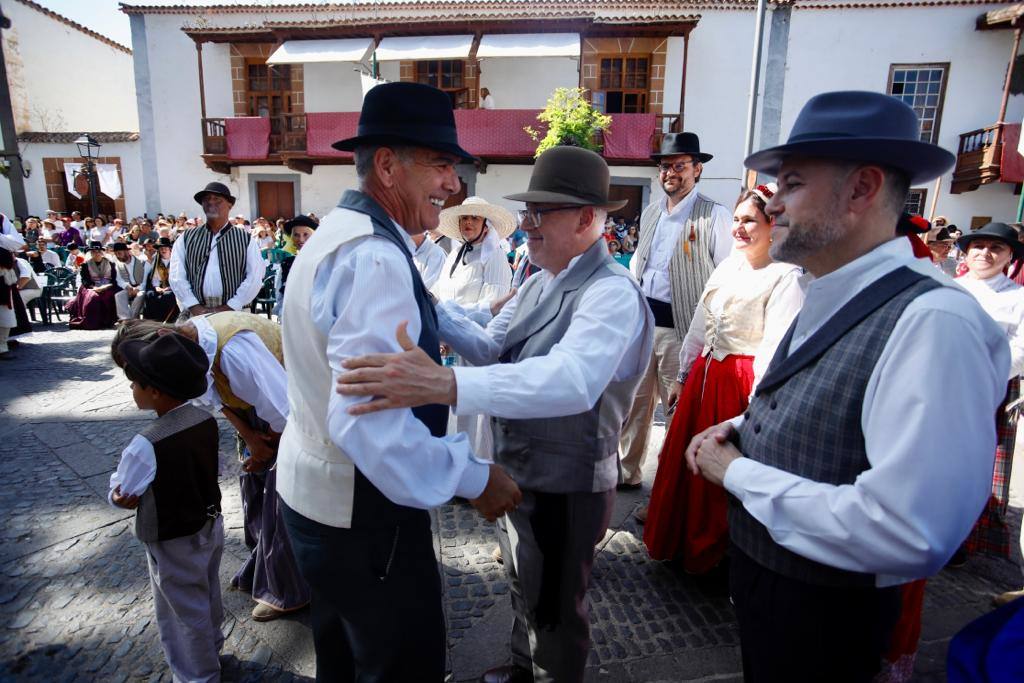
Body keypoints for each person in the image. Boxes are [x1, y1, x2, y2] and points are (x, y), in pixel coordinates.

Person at [686, 91, 1008, 681]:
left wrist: (736, 472)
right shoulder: (823, 288)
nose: (773, 204)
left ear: (861, 189)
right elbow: (820, 403)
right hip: (773, 593)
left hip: (826, 619)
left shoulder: (934, 321)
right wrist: (738, 429)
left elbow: (907, 529)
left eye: (792, 184)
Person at [335, 145, 655, 683]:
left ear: (585, 218)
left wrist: (445, 382)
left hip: (566, 484)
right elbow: (490, 346)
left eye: (540, 213)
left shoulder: (612, 293)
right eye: (528, 212)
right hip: (521, 468)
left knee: (554, 608)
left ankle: (548, 673)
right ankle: (524, 665)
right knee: (524, 584)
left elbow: (571, 381)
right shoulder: (538, 279)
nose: (527, 225)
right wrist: (428, 307)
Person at [275, 81, 522, 681]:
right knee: (400, 663)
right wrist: (472, 475)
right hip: (362, 512)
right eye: (440, 164)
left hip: (318, 499)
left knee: (344, 658)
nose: (453, 184)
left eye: (455, 167)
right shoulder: (375, 256)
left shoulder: (343, 235)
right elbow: (371, 420)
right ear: (386, 165)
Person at [643, 183, 804, 571]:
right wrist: (683, 372)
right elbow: (701, 320)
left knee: (722, 467)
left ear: (773, 224)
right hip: (705, 374)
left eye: (750, 220)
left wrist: (757, 403)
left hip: (740, 384)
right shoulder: (729, 264)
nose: (739, 228)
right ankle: (680, 542)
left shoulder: (786, 276)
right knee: (685, 464)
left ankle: (717, 554)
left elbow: (776, 346)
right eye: (736, 219)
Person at [113, 312, 310, 623]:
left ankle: (286, 590)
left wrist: (263, 450)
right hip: (260, 415)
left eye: (140, 380)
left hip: (295, 413)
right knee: (254, 494)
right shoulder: (190, 348)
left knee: (279, 500)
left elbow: (286, 411)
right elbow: (220, 400)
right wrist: (248, 436)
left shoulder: (233, 350)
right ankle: (264, 570)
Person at [107, 332, 224, 683]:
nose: (132, 391)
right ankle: (213, 647)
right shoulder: (205, 418)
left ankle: (197, 675)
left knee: (181, 612)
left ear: (155, 392)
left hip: (171, 537)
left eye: (135, 385)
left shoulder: (146, 443)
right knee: (208, 593)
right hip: (209, 523)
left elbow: (124, 489)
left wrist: (116, 497)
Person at [620, 132, 733, 492]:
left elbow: (726, 276)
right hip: (643, 326)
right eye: (665, 166)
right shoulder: (652, 211)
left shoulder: (714, 214)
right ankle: (627, 474)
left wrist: (708, 339)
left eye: (680, 166)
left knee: (675, 414)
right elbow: (639, 264)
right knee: (635, 407)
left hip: (681, 330)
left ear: (697, 170)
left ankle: (668, 492)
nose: (671, 172)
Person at [954, 222, 1024, 564]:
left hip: (989, 391)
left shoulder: (1018, 298)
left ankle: (965, 539)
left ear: (1010, 256)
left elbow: (1021, 349)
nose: (985, 253)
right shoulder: (947, 287)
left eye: (995, 248)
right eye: (978, 246)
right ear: (966, 252)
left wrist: (983, 376)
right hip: (941, 383)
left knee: (975, 467)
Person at [432, 196, 515, 460]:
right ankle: (455, 466)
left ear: (485, 225)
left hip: (475, 346)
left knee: (475, 414)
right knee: (454, 411)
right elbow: (439, 294)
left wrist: (450, 327)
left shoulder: (496, 258)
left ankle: (478, 468)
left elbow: (493, 307)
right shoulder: (455, 254)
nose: (468, 223)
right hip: (451, 346)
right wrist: (440, 330)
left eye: (474, 218)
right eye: (464, 218)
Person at [169, 182, 263, 321]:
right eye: (206, 199)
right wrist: (195, 307)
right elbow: (176, 275)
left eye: (217, 199)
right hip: (195, 314)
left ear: (230, 205)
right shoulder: (186, 238)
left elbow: (254, 276)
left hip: (235, 313)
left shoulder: (245, 239)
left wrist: (230, 306)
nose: (211, 202)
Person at [66, 241, 120, 329]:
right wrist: (94, 287)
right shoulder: (85, 265)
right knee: (93, 297)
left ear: (102, 252)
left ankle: (109, 321)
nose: (97, 253)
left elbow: (115, 279)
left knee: (109, 295)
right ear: (91, 253)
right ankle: (92, 322)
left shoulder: (111, 264)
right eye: (94, 251)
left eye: (99, 251)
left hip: (108, 286)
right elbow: (85, 281)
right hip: (91, 286)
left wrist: (106, 286)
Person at [274, 215, 317, 318]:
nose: (301, 239)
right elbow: (280, 295)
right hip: (292, 318)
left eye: (306, 234)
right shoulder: (287, 263)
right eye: (296, 235)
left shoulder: (323, 261)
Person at [142, 238, 178, 322]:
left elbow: (178, 278)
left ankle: (168, 320)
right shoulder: (157, 262)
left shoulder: (176, 262)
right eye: (161, 248)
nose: (163, 250)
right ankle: (153, 320)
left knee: (168, 296)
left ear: (170, 249)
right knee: (150, 294)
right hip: (160, 287)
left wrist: (168, 287)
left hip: (173, 287)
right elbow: (155, 277)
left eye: (165, 248)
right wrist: (157, 287)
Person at [113, 241, 147, 320]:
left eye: (119, 253)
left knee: (140, 295)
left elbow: (145, 281)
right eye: (116, 254)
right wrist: (128, 288)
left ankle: (130, 319)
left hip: (141, 288)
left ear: (127, 252)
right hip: (128, 288)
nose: (118, 256)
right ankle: (125, 318)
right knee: (118, 295)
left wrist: (137, 289)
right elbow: (119, 280)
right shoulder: (118, 265)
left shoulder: (142, 263)